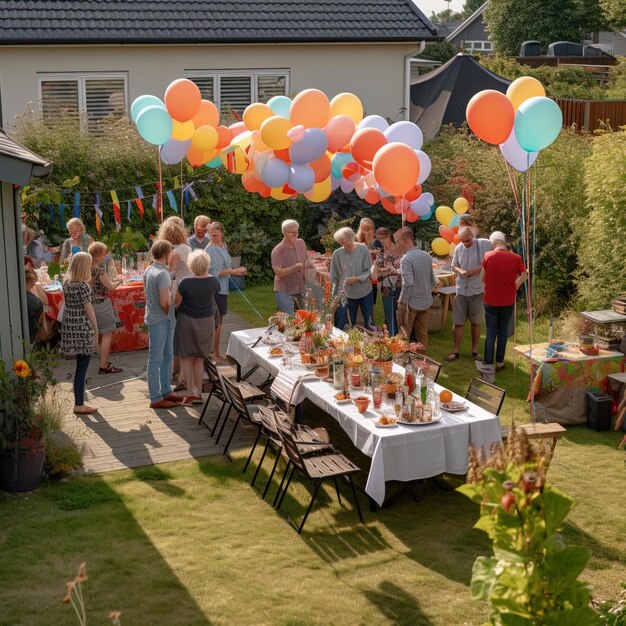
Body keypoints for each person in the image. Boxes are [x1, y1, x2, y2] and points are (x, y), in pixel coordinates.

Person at [173, 250, 220, 403]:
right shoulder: (214, 281)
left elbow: (177, 303)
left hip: (187, 322)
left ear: (191, 265)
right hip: (206, 322)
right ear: (207, 264)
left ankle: (189, 392)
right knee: (199, 358)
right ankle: (198, 393)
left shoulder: (185, 282)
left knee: (186, 357)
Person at [479, 231, 527, 378]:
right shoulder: (516, 258)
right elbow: (524, 274)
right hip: (508, 300)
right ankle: (500, 362)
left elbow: (482, 278)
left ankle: (488, 363)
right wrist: (515, 286)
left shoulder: (488, 256)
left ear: (493, 243)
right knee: (503, 331)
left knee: (491, 330)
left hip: (491, 299)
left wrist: (493, 282)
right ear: (504, 242)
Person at [144, 240, 184, 409]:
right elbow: (164, 301)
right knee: (156, 359)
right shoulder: (162, 274)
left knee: (167, 355)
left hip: (157, 317)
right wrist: (170, 311)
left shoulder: (149, 269)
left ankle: (166, 390)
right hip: (161, 319)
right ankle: (155, 397)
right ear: (167, 254)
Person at [60, 252, 99, 415]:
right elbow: (88, 309)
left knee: (79, 366)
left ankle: (80, 401)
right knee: (82, 368)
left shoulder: (66, 282)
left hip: (70, 326)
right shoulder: (83, 285)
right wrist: (96, 329)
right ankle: (79, 403)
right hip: (82, 327)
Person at [446, 226, 492, 362]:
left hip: (477, 290)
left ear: (473, 236)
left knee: (476, 322)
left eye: (468, 240)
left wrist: (476, 270)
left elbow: (489, 261)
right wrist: (460, 271)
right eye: (463, 241)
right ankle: (456, 351)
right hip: (461, 290)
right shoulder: (459, 247)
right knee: (458, 322)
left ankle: (474, 352)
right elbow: (453, 265)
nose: (465, 243)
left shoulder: (484, 243)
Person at [207, 222, 247, 360]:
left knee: (219, 322)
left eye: (218, 230)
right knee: (217, 323)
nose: (215, 232)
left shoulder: (222, 246)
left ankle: (215, 352)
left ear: (222, 233)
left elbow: (226, 264)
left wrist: (235, 270)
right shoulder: (211, 249)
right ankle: (214, 353)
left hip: (222, 289)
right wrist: (234, 271)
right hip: (216, 290)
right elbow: (215, 272)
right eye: (212, 230)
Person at [395, 226, 438, 351]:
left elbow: (408, 283)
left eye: (397, 241)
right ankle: (422, 363)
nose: (396, 245)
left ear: (406, 240)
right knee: (422, 335)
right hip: (425, 302)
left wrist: (402, 303)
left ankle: (401, 363)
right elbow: (432, 280)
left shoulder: (406, 259)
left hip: (410, 304)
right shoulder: (425, 255)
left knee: (403, 335)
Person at [88, 242, 124, 375]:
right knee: (107, 333)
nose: (106, 255)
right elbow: (110, 287)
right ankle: (103, 365)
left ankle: (103, 363)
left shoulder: (87, 268)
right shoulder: (98, 270)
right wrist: (120, 281)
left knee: (96, 334)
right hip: (100, 304)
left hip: (90, 304)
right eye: (104, 253)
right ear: (97, 255)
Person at [329, 227, 373, 330]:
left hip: (365, 291)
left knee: (369, 321)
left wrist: (357, 279)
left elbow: (368, 270)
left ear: (352, 237)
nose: (346, 244)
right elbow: (334, 276)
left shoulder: (363, 248)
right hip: (347, 294)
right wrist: (335, 295)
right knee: (349, 323)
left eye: (348, 240)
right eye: (342, 242)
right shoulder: (337, 254)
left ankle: (373, 339)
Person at [271, 219, 307, 314]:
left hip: (300, 288)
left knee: (305, 319)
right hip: (284, 290)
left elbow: (305, 260)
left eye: (297, 232)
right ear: (284, 233)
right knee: (288, 321)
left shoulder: (301, 243)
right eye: (292, 232)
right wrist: (294, 267)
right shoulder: (278, 250)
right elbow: (278, 272)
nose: (295, 234)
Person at [373, 227, 402, 336]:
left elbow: (403, 267)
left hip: (399, 285)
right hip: (386, 287)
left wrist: (387, 271)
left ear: (390, 236)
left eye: (384, 238)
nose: (382, 241)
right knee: (389, 313)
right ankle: (392, 337)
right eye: (379, 239)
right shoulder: (380, 252)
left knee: (400, 313)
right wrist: (384, 271)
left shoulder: (399, 250)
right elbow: (377, 268)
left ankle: (399, 336)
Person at [355, 217, 383, 304]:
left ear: (373, 229)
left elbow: (383, 259)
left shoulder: (378, 243)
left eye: (369, 229)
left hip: (374, 274)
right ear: (361, 230)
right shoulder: (358, 243)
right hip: (361, 273)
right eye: (364, 229)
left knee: (372, 300)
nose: (367, 232)